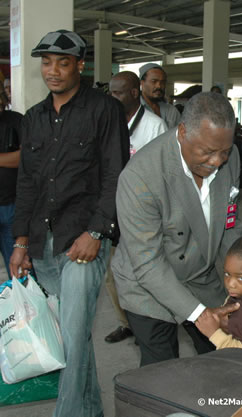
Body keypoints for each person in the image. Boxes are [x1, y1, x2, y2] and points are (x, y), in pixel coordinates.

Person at [9, 30, 129, 417]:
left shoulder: (103, 110)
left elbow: (116, 175)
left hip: (83, 243)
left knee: (72, 344)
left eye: (63, 62)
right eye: (46, 62)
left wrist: (96, 232)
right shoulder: (33, 119)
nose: (53, 70)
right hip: (43, 245)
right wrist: (21, 241)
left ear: (80, 65)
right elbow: (27, 182)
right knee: (75, 340)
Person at [111, 92, 242, 367]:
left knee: (225, 361)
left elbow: (230, 226)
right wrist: (200, 315)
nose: (218, 161)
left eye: (224, 152)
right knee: (163, 372)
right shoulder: (140, 177)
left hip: (201, 274)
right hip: (146, 284)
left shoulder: (231, 157)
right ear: (182, 132)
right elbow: (148, 264)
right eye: (207, 152)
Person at [103, 71, 167, 344]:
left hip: (144, 210)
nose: (113, 98)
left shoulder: (154, 126)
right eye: (111, 92)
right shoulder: (106, 123)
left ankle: (151, 322)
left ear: (133, 93)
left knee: (145, 269)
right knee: (114, 272)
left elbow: (163, 172)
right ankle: (125, 322)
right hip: (113, 208)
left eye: (118, 92)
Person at [0, 82, 22, 276]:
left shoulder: (16, 121)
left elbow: (25, 158)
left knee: (17, 268)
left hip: (12, 206)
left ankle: (21, 306)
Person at [138, 62, 181, 129]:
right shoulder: (135, 109)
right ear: (141, 83)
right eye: (154, 81)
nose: (159, 86)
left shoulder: (171, 111)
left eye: (162, 82)